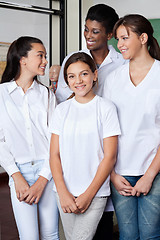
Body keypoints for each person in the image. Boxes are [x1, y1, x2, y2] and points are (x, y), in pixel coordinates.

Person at [55, 4, 126, 239]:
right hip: (78, 151)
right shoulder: (73, 60)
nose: (88, 36)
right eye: (86, 30)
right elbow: (63, 101)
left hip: (109, 148)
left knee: (104, 226)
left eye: (95, 31)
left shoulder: (122, 63)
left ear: (109, 34)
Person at [49, 52, 121, 240]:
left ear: (95, 75)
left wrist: (89, 195)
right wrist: (62, 192)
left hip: (95, 193)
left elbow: (110, 156)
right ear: (67, 80)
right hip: (63, 192)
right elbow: (54, 154)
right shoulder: (61, 110)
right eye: (71, 76)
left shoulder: (106, 108)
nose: (78, 81)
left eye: (84, 74)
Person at [103, 14, 160, 239]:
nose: (120, 45)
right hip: (120, 173)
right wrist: (112, 174)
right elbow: (105, 131)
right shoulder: (113, 79)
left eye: (125, 38)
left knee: (150, 234)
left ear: (143, 37)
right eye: (118, 39)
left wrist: (150, 175)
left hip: (154, 170)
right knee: (127, 235)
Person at [0, 36, 59, 240]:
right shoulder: (1, 95)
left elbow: (55, 139)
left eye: (45, 56)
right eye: (40, 55)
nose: (45, 61)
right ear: (22, 59)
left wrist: (43, 179)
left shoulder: (47, 95)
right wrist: (16, 177)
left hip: (48, 171)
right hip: (19, 173)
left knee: (51, 234)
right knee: (29, 237)